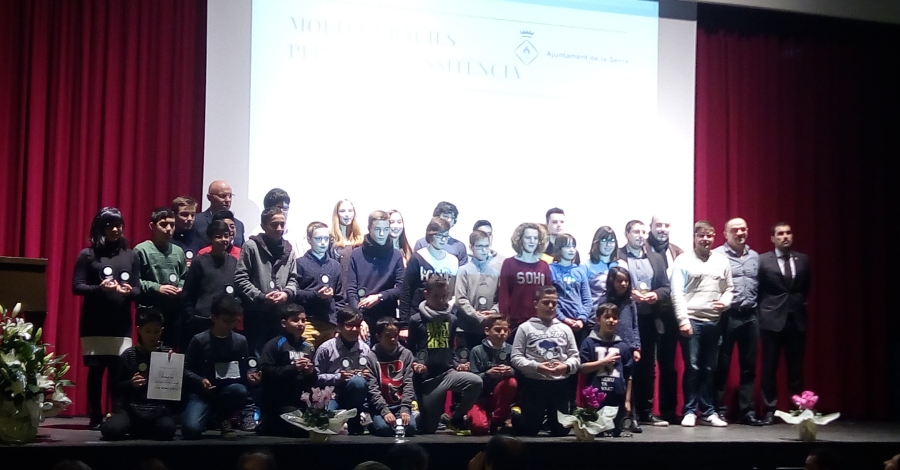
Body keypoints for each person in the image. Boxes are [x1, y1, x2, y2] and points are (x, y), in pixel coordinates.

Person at [72, 207, 141, 428]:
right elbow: (77, 286)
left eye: (119, 225)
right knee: (96, 371)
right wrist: (99, 288)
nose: (115, 229)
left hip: (120, 322)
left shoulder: (131, 255)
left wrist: (129, 291)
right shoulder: (88, 254)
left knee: (118, 371)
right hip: (94, 322)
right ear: (101, 228)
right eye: (110, 225)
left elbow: (138, 289)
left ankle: (118, 413)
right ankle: (95, 416)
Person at [670, 220, 734, 427]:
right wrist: (683, 320)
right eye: (701, 235)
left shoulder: (722, 261)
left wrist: (725, 302)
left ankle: (708, 411)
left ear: (714, 237)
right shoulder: (683, 260)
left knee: (709, 368)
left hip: (714, 322)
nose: (705, 239)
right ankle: (689, 411)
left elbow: (729, 288)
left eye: (709, 235)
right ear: (694, 237)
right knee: (693, 367)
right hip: (691, 321)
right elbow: (676, 293)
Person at [409, 275, 483, 434]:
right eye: (436, 296)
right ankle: (420, 416)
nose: (441, 300)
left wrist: (458, 364)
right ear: (426, 294)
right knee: (429, 428)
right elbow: (410, 349)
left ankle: (456, 418)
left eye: (444, 296)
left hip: (448, 373)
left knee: (475, 382)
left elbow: (450, 348)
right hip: (427, 380)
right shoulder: (416, 320)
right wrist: (415, 363)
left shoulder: (452, 320)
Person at [616, 220, 671, 429]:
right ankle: (625, 412)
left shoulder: (656, 258)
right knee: (625, 365)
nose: (640, 235)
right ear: (626, 234)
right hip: (625, 318)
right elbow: (612, 284)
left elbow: (666, 287)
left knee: (648, 367)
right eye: (636, 232)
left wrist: (655, 295)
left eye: (643, 232)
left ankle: (646, 411)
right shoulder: (618, 256)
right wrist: (630, 293)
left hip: (649, 319)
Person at [182, 294, 259, 439]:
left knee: (240, 390)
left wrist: (251, 375)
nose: (230, 325)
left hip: (228, 391)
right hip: (202, 393)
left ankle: (223, 418)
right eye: (226, 321)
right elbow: (184, 369)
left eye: (234, 321)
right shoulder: (199, 340)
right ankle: (211, 416)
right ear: (213, 318)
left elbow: (245, 367)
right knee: (191, 430)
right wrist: (200, 380)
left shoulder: (240, 341)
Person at [758, 222, 811, 425]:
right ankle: (769, 410)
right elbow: (759, 289)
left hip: (796, 321)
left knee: (796, 369)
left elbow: (806, 288)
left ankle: (797, 409)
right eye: (780, 234)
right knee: (769, 368)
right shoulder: (763, 260)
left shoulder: (803, 259)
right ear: (773, 238)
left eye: (788, 233)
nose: (785, 237)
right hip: (771, 321)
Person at [510, 286, 579, 436]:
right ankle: (515, 414)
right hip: (535, 383)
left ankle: (551, 420)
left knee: (561, 431)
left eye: (554, 303)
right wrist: (537, 367)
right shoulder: (525, 328)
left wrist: (566, 367)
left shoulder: (565, 329)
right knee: (529, 430)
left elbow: (575, 357)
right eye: (546, 302)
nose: (550, 306)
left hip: (559, 384)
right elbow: (515, 357)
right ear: (536, 304)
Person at [713, 217, 762, 425]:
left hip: (750, 315)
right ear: (725, 234)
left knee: (749, 366)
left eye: (743, 229)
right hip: (728, 316)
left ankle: (746, 411)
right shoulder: (717, 256)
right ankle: (718, 409)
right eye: (734, 230)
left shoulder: (755, 256)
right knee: (721, 364)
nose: (740, 233)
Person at [100, 308, 177, 441]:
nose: (152, 335)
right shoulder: (129, 354)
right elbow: (115, 386)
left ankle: (138, 430)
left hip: (157, 411)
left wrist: (175, 364)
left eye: (156, 331)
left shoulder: (168, 354)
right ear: (139, 330)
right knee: (112, 431)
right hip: (131, 410)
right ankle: (126, 425)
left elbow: (177, 385)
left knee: (168, 429)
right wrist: (130, 383)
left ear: (162, 331)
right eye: (148, 331)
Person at [234, 207, 298, 355]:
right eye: (274, 224)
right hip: (256, 313)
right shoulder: (251, 246)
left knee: (278, 356)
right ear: (263, 226)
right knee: (257, 356)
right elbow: (240, 278)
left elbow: (293, 279)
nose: (279, 228)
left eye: (282, 224)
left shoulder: (289, 249)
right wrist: (261, 296)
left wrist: (286, 293)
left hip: (281, 314)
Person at [645, 214, 685, 424]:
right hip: (647, 314)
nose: (662, 229)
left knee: (668, 365)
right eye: (658, 225)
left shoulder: (677, 252)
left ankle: (669, 411)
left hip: (670, 316)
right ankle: (644, 410)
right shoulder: (642, 249)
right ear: (650, 226)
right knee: (646, 365)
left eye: (666, 225)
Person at [257, 304, 317, 437]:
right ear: (284, 323)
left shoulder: (308, 347)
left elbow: (313, 380)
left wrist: (310, 372)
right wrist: (293, 368)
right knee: (298, 430)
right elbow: (265, 370)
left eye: (303, 320)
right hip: (278, 402)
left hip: (300, 401)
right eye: (295, 320)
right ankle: (267, 423)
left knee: (318, 425)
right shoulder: (275, 344)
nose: (301, 324)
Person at [181, 220, 239, 349]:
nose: (223, 240)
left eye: (226, 236)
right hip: (202, 321)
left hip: (226, 322)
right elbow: (188, 294)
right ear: (209, 238)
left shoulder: (234, 262)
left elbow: (237, 291)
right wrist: (191, 318)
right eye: (218, 236)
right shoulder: (199, 262)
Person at [347, 211, 405, 340]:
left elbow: (402, 288)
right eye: (378, 229)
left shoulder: (396, 255)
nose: (382, 234)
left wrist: (380, 297)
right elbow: (351, 289)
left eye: (386, 229)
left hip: (387, 319)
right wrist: (358, 319)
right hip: (362, 317)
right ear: (369, 229)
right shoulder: (356, 254)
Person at [135, 207, 187, 351]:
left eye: (172, 225)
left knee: (169, 351)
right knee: (148, 350)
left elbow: (184, 276)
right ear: (152, 226)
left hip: (173, 312)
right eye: (163, 225)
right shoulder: (142, 250)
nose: (169, 229)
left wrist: (181, 287)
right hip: (149, 312)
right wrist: (158, 288)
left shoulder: (178, 251)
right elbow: (135, 281)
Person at [579, 303, 634, 437]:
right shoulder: (589, 343)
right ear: (598, 320)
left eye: (614, 318)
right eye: (607, 317)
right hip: (595, 399)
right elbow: (581, 368)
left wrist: (627, 401)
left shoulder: (622, 346)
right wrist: (603, 363)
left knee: (616, 434)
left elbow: (629, 375)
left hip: (617, 398)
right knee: (597, 435)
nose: (611, 321)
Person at [313, 307, 370, 434]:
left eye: (357, 326)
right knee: (328, 423)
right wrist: (338, 377)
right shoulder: (326, 348)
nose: (354, 329)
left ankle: (355, 420)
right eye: (349, 325)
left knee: (358, 382)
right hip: (331, 394)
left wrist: (368, 376)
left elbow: (373, 380)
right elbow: (314, 377)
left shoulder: (365, 349)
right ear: (339, 326)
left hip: (355, 395)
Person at [399, 217, 459, 335]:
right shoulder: (418, 257)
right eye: (439, 236)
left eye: (446, 236)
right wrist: (404, 324)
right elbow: (406, 290)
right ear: (430, 235)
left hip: (443, 317)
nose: (443, 239)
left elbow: (453, 292)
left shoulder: (453, 261)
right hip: (419, 316)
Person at [365, 316, 417, 437]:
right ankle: (369, 421)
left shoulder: (406, 354)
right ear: (378, 337)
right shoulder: (370, 357)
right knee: (384, 429)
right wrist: (384, 411)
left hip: (400, 405)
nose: (393, 339)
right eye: (388, 336)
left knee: (410, 428)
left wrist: (405, 408)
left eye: (395, 335)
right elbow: (372, 388)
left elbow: (408, 383)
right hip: (380, 407)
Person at [295, 221, 345, 348]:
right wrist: (317, 295)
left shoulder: (335, 265)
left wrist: (338, 326)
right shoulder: (300, 263)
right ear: (309, 240)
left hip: (330, 323)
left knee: (329, 358)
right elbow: (295, 293)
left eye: (326, 239)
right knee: (306, 357)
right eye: (318, 239)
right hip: (308, 322)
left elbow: (339, 298)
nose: (323, 243)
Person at [467, 314, 517, 435]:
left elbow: (521, 375)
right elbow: (471, 379)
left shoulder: (512, 350)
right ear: (487, 331)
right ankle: (469, 417)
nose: (502, 333)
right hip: (480, 398)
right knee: (480, 428)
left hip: (500, 398)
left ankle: (497, 419)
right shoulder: (477, 350)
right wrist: (487, 374)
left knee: (511, 382)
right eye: (498, 330)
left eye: (505, 330)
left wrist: (511, 371)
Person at [498, 223, 552, 333]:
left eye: (535, 238)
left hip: (539, 321)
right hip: (515, 321)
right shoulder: (509, 263)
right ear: (520, 239)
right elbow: (504, 294)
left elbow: (549, 294)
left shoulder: (544, 265)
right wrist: (504, 319)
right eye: (528, 237)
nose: (532, 241)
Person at [456, 230, 503, 350]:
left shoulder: (495, 273)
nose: (484, 250)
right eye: (480, 246)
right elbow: (460, 299)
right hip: (466, 328)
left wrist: (492, 313)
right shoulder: (463, 271)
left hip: (487, 328)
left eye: (486, 246)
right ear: (471, 247)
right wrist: (476, 315)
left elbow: (499, 299)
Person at [549, 234, 592, 344]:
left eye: (573, 246)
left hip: (579, 324)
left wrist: (582, 319)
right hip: (558, 324)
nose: (572, 250)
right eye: (567, 246)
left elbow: (587, 299)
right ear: (559, 248)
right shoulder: (551, 270)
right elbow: (550, 300)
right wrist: (563, 318)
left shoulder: (580, 271)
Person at [599, 267, 641, 366]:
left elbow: (635, 326)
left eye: (626, 281)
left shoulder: (630, 302)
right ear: (612, 282)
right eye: (619, 281)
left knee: (628, 372)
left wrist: (636, 348)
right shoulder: (604, 301)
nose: (623, 284)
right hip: (609, 347)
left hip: (627, 347)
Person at [413, 201, 469, 266]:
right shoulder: (421, 243)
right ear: (436, 217)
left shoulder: (459, 246)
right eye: (446, 216)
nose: (449, 220)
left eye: (452, 217)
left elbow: (462, 270)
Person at [193, 180, 245, 248]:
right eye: (223, 196)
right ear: (209, 197)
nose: (228, 200)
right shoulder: (196, 221)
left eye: (230, 196)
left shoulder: (239, 225)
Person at [330, 199, 365, 294]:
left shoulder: (361, 240)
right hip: (339, 292)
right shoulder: (330, 240)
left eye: (350, 211)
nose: (347, 214)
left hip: (358, 292)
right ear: (336, 214)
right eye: (342, 211)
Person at [583, 226, 619, 307]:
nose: (608, 244)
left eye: (612, 241)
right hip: (595, 311)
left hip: (619, 311)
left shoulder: (622, 264)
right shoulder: (586, 266)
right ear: (596, 242)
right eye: (604, 240)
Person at [171, 196, 204, 261]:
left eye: (192, 215)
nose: (190, 219)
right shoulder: (166, 240)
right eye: (184, 215)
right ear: (174, 215)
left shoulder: (200, 241)